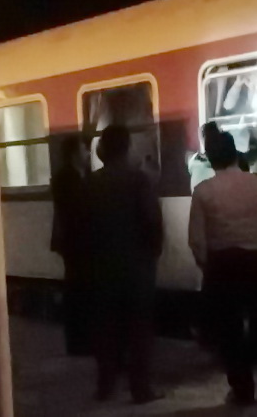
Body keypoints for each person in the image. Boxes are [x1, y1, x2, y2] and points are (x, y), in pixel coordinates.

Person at [189, 131, 257, 405]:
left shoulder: (203, 191)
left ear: (211, 159)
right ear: (235, 154)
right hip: (256, 261)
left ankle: (243, 391)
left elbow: (197, 240)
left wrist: (208, 267)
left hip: (222, 264)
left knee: (230, 330)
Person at [88, 125, 164, 404]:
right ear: (127, 147)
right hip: (136, 268)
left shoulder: (90, 183)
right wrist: (152, 254)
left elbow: (81, 227)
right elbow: (152, 222)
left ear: (103, 149)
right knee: (139, 331)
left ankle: (105, 386)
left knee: (106, 330)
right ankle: (140, 389)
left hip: (102, 268)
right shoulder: (139, 180)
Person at [51, 134, 92, 356]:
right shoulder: (68, 178)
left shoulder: (70, 176)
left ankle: (80, 339)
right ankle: (78, 341)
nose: (87, 153)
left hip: (73, 241)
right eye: (84, 149)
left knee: (78, 289)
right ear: (75, 153)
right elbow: (76, 212)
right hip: (76, 242)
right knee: (78, 290)